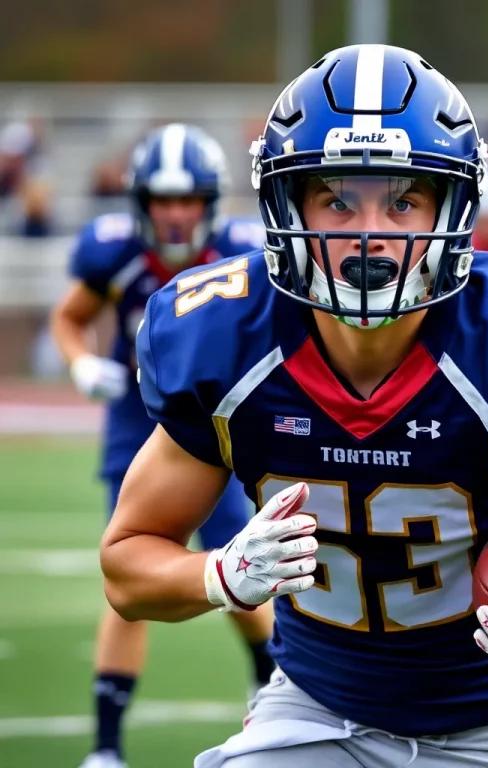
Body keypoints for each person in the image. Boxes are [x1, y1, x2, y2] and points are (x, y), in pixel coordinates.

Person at [100, 45, 488, 768]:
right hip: (316, 706)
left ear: (455, 206)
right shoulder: (226, 337)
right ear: (286, 205)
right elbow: (126, 566)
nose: (369, 232)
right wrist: (217, 576)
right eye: (337, 199)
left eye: (403, 200)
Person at [50, 123, 274, 768]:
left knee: (244, 569)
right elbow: (69, 316)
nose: (176, 215)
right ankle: (106, 746)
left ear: (211, 203)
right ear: (140, 203)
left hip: (220, 427)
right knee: (131, 573)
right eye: (162, 201)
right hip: (135, 425)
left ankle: (270, 686)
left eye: (188, 201)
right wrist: (80, 364)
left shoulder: (243, 252)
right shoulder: (113, 254)